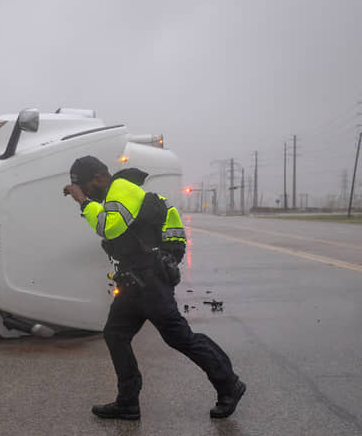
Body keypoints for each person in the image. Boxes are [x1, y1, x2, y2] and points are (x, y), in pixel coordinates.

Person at [62, 155, 245, 420]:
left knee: (179, 337)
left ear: (101, 177)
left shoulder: (120, 189)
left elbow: (109, 228)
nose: (87, 192)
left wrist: (83, 201)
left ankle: (229, 384)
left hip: (149, 281)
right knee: (115, 334)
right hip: (134, 281)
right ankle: (127, 402)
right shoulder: (119, 193)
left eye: (87, 186)